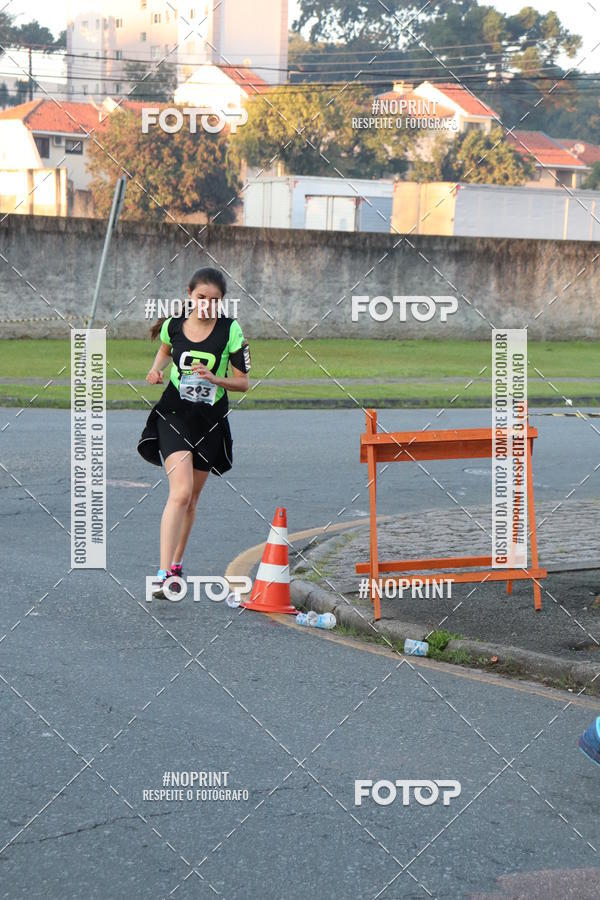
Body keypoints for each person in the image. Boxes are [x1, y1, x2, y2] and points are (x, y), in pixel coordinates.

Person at [137, 267, 250, 597]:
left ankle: (176, 565)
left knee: (192, 498)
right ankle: (162, 574)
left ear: (222, 302)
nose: (207, 305)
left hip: (210, 419)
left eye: (214, 301)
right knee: (181, 491)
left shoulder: (231, 330)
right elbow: (165, 349)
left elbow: (243, 382)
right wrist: (155, 370)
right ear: (189, 295)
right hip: (174, 413)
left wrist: (215, 379)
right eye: (201, 298)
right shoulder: (174, 325)